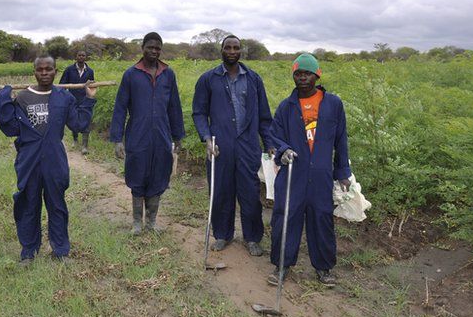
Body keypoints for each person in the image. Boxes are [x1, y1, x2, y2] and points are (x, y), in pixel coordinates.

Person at [0, 55, 97, 266]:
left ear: (55, 71)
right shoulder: (23, 98)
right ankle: (28, 252)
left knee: (57, 205)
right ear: (34, 72)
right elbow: (10, 128)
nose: (44, 73)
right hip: (28, 160)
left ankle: (60, 250)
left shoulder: (64, 97)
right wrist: (3, 100)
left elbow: (78, 123)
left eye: (48, 69)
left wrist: (88, 99)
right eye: (40, 69)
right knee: (28, 204)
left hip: (54, 160)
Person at [268, 53, 351, 287]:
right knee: (286, 217)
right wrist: (283, 150)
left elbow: (341, 140)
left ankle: (324, 268)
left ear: (317, 75)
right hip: (293, 173)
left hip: (321, 175)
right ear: (294, 76)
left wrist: (342, 171)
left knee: (322, 219)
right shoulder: (286, 107)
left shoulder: (333, 104)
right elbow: (273, 137)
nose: (302, 77)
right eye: (298, 73)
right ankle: (281, 266)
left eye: (307, 73)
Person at [192, 35, 275, 257]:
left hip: (248, 145)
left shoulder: (254, 79)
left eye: (235, 48)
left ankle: (253, 238)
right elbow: (199, 113)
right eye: (227, 47)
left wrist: (269, 144)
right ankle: (222, 234)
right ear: (221, 50)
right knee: (220, 191)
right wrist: (207, 137)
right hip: (219, 145)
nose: (231, 51)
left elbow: (265, 117)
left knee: (250, 192)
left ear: (241, 51)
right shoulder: (208, 79)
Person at [110, 32, 185, 235]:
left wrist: (177, 136)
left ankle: (151, 222)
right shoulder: (131, 74)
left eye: (158, 48)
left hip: (162, 134)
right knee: (137, 174)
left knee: (159, 174)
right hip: (138, 134)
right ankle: (136, 222)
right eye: (150, 47)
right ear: (142, 47)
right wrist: (117, 139)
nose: (154, 51)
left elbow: (174, 106)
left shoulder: (168, 74)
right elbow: (120, 107)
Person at [59, 50, 95, 155]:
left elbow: (91, 85)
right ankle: (75, 140)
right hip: (72, 99)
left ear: (85, 57)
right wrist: (64, 97)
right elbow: (62, 85)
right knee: (74, 121)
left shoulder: (90, 71)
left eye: (83, 55)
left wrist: (90, 95)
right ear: (76, 57)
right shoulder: (69, 70)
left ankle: (84, 146)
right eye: (79, 55)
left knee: (87, 121)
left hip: (85, 99)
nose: (81, 57)